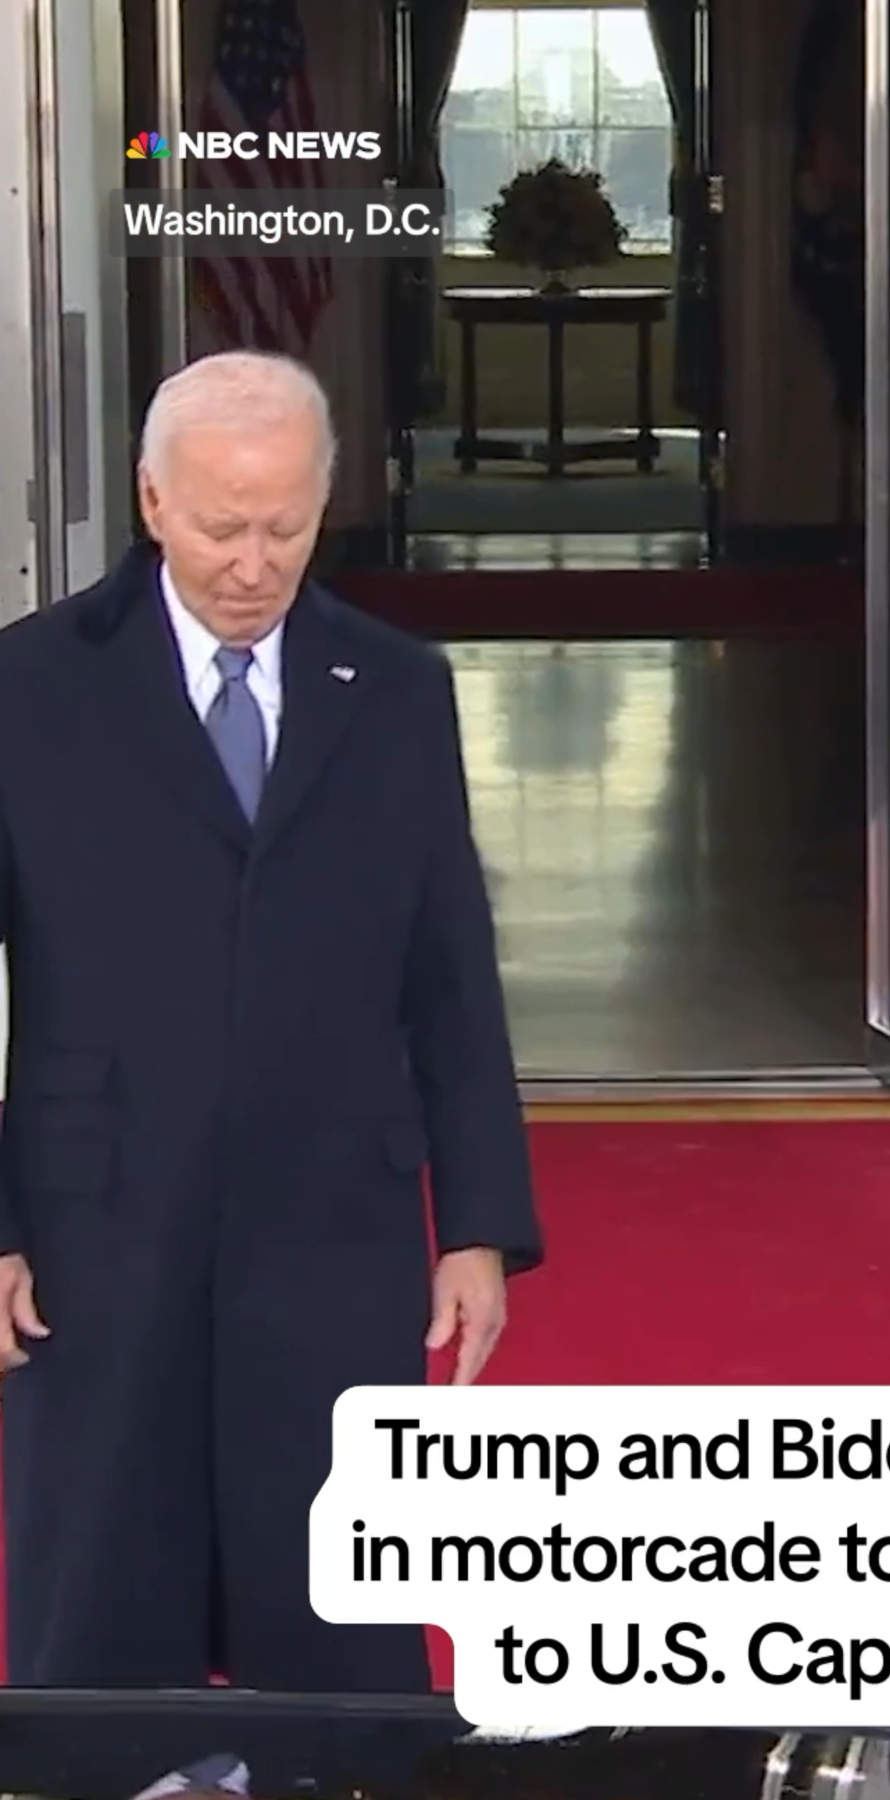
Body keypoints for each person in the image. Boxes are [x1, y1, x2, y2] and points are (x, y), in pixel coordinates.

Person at [0, 350, 541, 1692]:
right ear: (151, 502)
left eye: (286, 527)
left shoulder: (400, 689)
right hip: (98, 1215)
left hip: (334, 1221)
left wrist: (475, 1224)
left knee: (340, 1620)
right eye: (222, 525)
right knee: (102, 1612)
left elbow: (450, 969)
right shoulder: (29, 687)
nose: (254, 561)